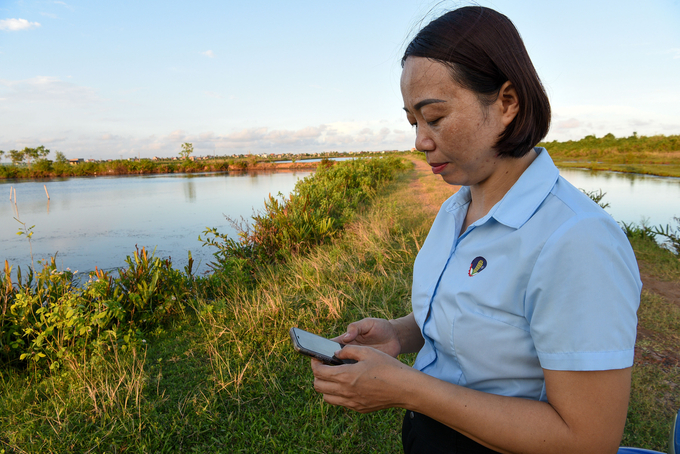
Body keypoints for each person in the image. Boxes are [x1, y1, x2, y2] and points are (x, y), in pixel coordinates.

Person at [310, 6, 641, 454]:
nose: (420, 141)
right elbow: (479, 318)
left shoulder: (577, 239)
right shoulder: (455, 209)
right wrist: (399, 333)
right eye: (413, 122)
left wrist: (407, 388)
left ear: (507, 102)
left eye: (435, 117)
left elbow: (589, 440)